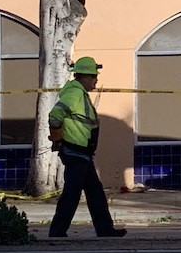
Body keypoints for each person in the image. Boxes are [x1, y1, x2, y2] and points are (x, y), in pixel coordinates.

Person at [48, 56, 127, 238]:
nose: (96, 80)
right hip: (75, 152)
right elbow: (55, 115)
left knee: (95, 194)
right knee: (72, 194)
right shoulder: (74, 93)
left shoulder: (79, 93)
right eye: (93, 76)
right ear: (82, 76)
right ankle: (57, 231)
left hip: (82, 153)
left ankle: (105, 230)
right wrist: (57, 138)